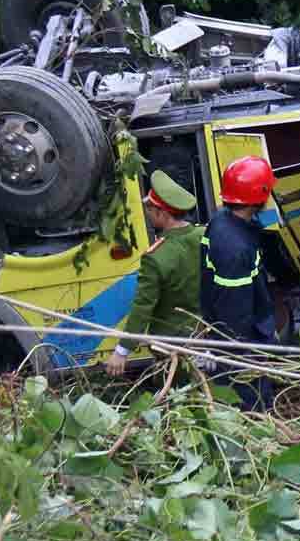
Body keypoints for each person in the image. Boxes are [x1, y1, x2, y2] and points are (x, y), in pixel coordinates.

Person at [105, 169, 205, 376]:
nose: (148, 215)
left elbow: (142, 307)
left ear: (163, 213)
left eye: (150, 210)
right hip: (205, 336)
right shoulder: (203, 236)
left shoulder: (155, 257)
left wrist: (121, 351)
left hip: (171, 345)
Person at [202, 156, 279, 410]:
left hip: (234, 336)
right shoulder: (235, 249)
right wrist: (244, 357)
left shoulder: (222, 221)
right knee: (252, 405)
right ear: (260, 196)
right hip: (242, 347)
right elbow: (235, 312)